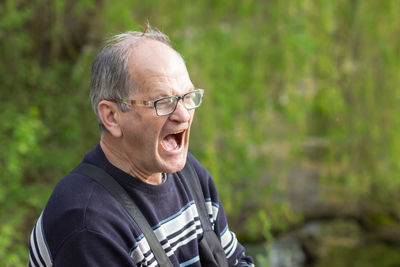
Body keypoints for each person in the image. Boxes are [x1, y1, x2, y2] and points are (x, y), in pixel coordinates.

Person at [29, 26, 254, 266]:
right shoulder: (87, 225)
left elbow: (236, 261)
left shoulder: (191, 175)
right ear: (112, 117)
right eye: (163, 102)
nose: (183, 115)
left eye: (187, 98)